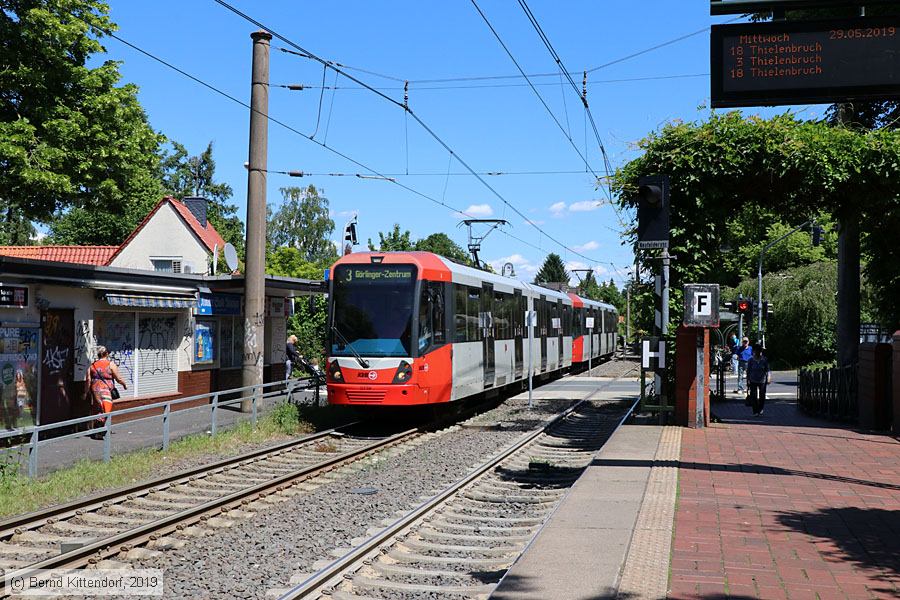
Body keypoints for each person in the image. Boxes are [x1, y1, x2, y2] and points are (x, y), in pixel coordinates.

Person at [85, 346, 127, 438]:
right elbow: (118, 378)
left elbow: (88, 379)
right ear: (106, 354)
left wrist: (86, 391)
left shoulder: (92, 365)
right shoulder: (111, 364)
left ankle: (98, 431)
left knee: (98, 409)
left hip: (95, 390)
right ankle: (102, 431)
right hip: (106, 391)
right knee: (106, 410)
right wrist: (124, 385)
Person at [746, 346, 771, 416]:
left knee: (762, 395)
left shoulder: (764, 360)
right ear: (754, 351)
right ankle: (755, 411)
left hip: (762, 380)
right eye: (757, 351)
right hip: (753, 379)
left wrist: (769, 377)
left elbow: (768, 370)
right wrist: (747, 380)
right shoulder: (751, 360)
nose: (758, 353)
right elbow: (748, 371)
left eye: (760, 351)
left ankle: (760, 409)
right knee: (753, 396)